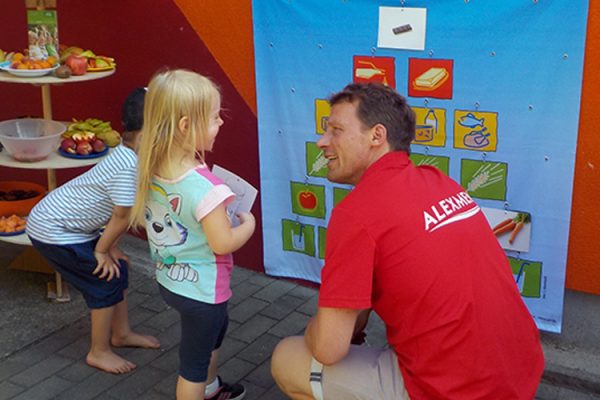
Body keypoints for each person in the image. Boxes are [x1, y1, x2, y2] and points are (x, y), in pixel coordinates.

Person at [271, 82, 544, 400]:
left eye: (335, 130)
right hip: (520, 371)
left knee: (287, 357)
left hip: (459, 391)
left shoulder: (357, 214)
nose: (322, 142)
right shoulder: (438, 181)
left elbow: (328, 349)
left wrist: (311, 333)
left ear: (377, 136)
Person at [130, 69, 255, 400]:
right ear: (186, 126)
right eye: (215, 117)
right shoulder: (208, 189)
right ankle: (202, 388)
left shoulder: (151, 167)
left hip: (171, 282)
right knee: (193, 368)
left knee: (214, 334)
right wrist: (249, 225)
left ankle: (211, 389)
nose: (221, 123)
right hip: (202, 292)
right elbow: (223, 242)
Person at [26, 87, 160, 374]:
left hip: (71, 225)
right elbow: (121, 215)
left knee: (119, 266)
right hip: (54, 229)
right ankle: (98, 352)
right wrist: (102, 249)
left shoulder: (129, 154)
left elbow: (116, 213)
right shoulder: (129, 166)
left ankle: (121, 334)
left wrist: (111, 248)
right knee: (104, 280)